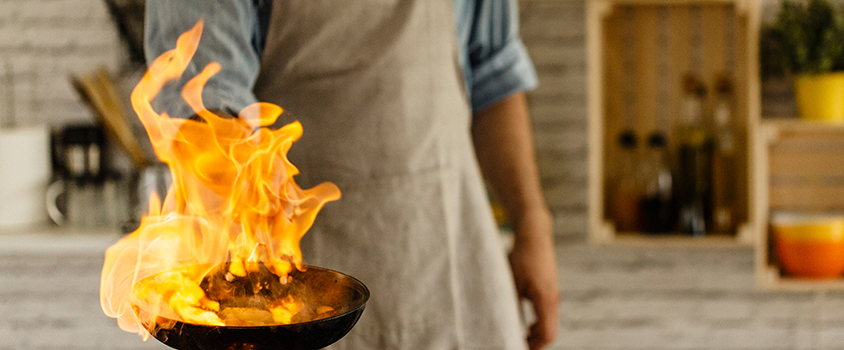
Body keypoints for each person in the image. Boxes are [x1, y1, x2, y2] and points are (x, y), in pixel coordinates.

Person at [144, 1, 560, 349]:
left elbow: (493, 72)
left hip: (456, 253)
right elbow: (203, 93)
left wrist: (532, 225)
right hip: (299, 276)